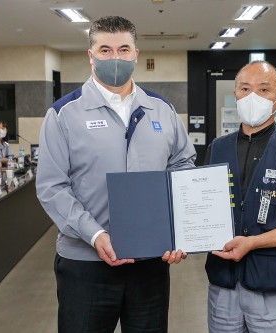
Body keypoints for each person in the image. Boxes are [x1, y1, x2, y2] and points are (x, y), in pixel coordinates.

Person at [36, 16, 196, 333]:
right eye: (105, 50)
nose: (115, 58)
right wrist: (95, 235)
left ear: (136, 54)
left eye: (123, 49)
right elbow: (53, 188)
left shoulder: (162, 110)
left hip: (150, 262)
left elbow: (183, 168)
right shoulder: (63, 114)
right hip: (86, 264)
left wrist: (181, 228)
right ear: (91, 55)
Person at [204, 61, 276, 333]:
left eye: (264, 89)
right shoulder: (217, 149)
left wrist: (253, 243)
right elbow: (204, 206)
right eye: (245, 88)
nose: (253, 96)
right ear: (236, 95)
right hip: (224, 288)